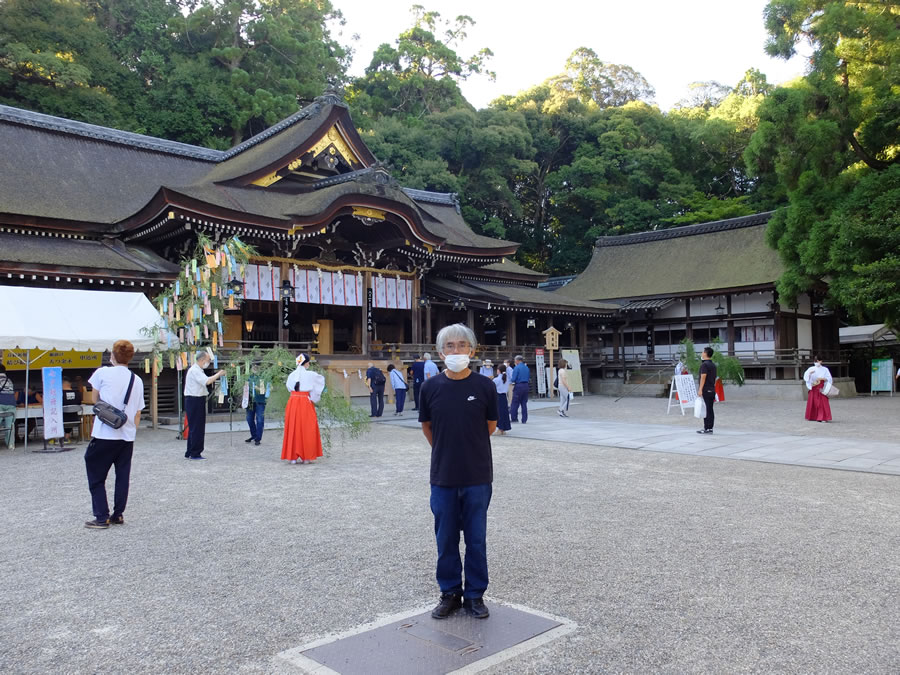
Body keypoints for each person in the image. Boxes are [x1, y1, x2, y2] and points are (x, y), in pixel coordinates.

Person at [419, 323, 497, 620]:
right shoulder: (430, 388)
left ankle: (476, 594)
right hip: (443, 475)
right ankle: (450, 592)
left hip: (477, 474)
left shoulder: (484, 386)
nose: (456, 350)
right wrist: (445, 450)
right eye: (449, 346)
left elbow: (489, 426)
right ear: (440, 352)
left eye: (461, 345)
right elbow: (427, 427)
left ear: (472, 350)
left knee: (476, 538)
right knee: (446, 537)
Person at [83, 340, 144, 529]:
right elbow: (138, 411)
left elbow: (95, 400)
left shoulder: (102, 373)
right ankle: (118, 514)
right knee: (122, 476)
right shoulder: (137, 380)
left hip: (104, 434)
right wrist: (132, 431)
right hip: (127, 436)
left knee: (96, 473)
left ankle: (101, 516)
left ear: (112, 356)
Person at [281, 353, 325, 465]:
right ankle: (306, 457)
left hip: (293, 401)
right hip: (305, 401)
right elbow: (320, 383)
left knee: (293, 427)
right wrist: (314, 398)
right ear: (306, 363)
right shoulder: (311, 375)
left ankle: (293, 457)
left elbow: (288, 388)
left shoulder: (292, 375)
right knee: (307, 428)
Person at [183, 349, 226, 460]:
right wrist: (219, 374)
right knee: (197, 427)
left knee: (195, 427)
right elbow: (207, 381)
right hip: (194, 400)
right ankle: (195, 452)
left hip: (196, 399)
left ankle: (190, 451)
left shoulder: (198, 370)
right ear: (202, 360)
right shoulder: (195, 370)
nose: (208, 362)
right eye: (207, 360)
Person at [803, 356, 833, 423]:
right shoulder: (811, 368)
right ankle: (813, 416)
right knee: (813, 402)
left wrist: (822, 379)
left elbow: (829, 378)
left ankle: (822, 417)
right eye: (815, 361)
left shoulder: (825, 369)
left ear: (821, 361)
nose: (817, 362)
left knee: (822, 402)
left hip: (821, 387)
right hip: (814, 386)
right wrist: (809, 374)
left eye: (818, 361)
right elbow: (806, 377)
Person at [244, 364, 267, 446]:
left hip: (260, 401)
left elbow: (265, 390)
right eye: (253, 366)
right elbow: (245, 389)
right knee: (249, 419)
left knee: (260, 420)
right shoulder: (248, 377)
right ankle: (254, 435)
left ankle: (258, 438)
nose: (255, 368)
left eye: (257, 366)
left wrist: (256, 388)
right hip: (250, 401)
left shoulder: (263, 377)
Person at [697, 346, 717, 434]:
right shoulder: (713, 365)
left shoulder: (704, 365)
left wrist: (700, 389)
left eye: (703, 352)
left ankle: (707, 428)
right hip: (712, 389)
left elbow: (703, 377)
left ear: (705, 353)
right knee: (710, 409)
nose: (702, 353)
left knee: (707, 409)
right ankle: (710, 427)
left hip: (706, 389)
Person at [509, 355, 531, 424]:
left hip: (519, 386)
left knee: (515, 403)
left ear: (517, 360)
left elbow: (513, 379)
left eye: (515, 360)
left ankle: (514, 418)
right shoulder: (526, 367)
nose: (514, 361)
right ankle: (524, 419)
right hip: (526, 385)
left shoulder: (516, 368)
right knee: (524, 403)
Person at [61, 377, 83, 442]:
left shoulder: (59, 394)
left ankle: (57, 438)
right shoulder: (77, 393)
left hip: (61, 420)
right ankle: (67, 437)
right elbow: (79, 403)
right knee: (70, 414)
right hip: (75, 420)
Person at [492, 364, 511, 435]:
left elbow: (492, 388)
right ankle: (503, 429)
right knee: (504, 413)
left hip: (498, 397)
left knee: (499, 413)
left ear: (499, 370)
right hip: (504, 397)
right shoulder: (507, 379)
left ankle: (500, 428)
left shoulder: (496, 379)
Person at [0, 364, 15, 449]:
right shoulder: (9, 380)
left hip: (0, 403)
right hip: (11, 405)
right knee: (10, 426)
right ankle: (11, 444)